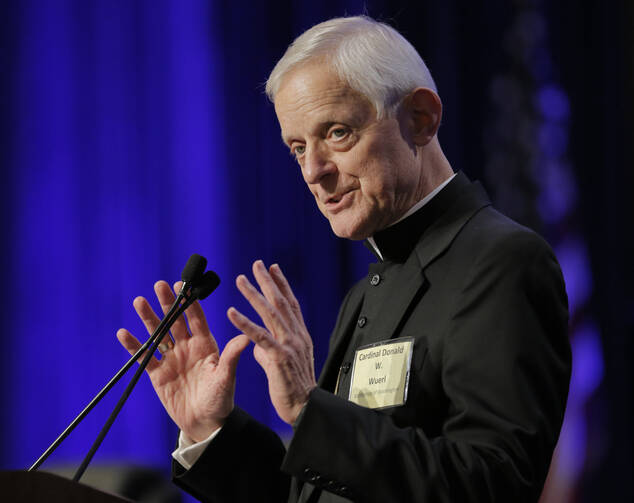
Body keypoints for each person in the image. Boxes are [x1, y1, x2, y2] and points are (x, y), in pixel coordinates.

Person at [117, 16, 571, 503]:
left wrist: (311, 411)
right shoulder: (364, 293)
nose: (313, 171)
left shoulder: (502, 263)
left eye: (336, 133)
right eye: (297, 148)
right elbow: (317, 492)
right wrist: (212, 430)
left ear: (420, 118)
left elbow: (490, 484)